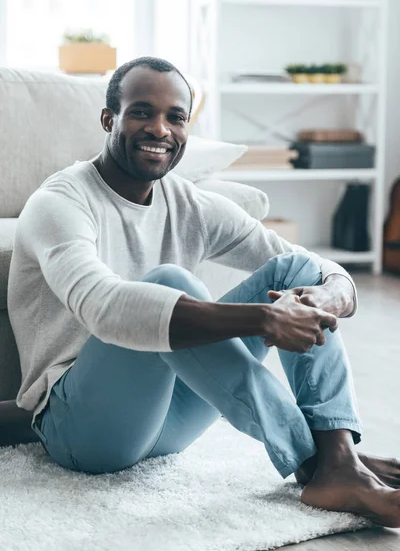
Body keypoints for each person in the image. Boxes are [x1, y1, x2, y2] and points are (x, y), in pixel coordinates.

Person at [8, 56, 400, 528]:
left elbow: (310, 264)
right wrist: (262, 318)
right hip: (83, 428)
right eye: (141, 112)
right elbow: (105, 309)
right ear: (109, 119)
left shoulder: (187, 202)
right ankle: (318, 462)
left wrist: (334, 290)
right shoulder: (60, 202)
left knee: (296, 269)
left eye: (175, 117)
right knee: (171, 284)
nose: (160, 129)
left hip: (170, 420)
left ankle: (338, 459)